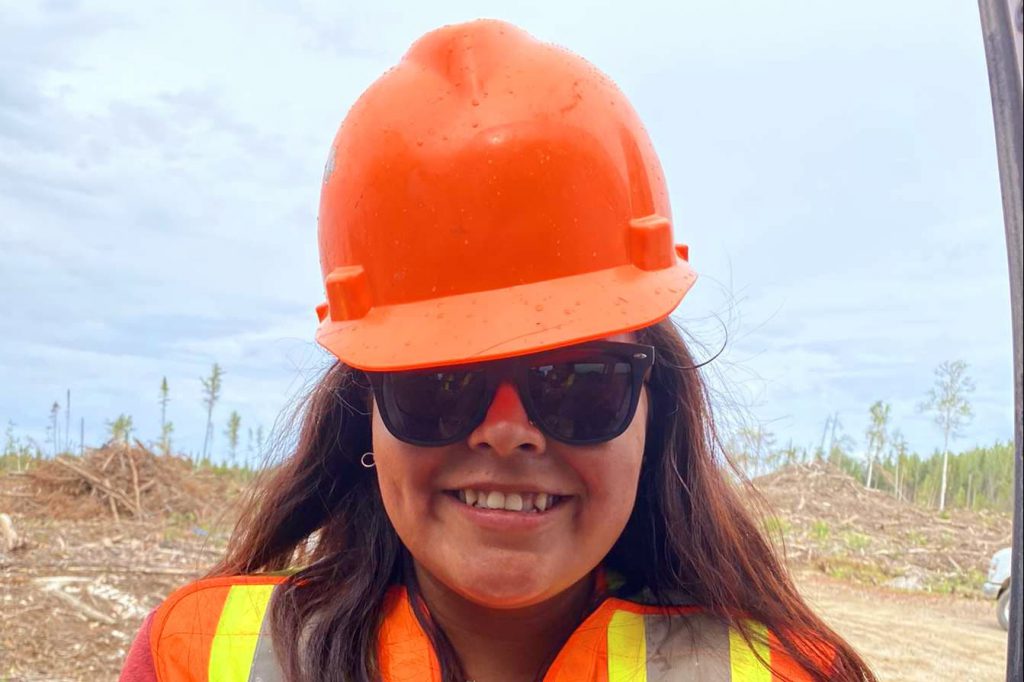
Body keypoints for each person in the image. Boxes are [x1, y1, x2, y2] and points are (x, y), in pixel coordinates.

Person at [120, 19, 876, 682]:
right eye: (439, 382)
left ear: (656, 411)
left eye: (577, 380)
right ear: (367, 418)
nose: (506, 429)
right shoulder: (195, 659)